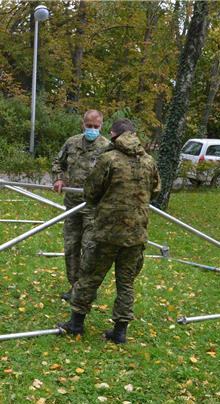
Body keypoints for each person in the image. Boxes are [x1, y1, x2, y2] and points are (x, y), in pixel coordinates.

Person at [58, 119, 160, 344]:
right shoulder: (149, 161)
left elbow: (91, 192)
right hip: (136, 234)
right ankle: (120, 332)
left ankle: (76, 323)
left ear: (113, 135)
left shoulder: (108, 159)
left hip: (107, 232)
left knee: (90, 276)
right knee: (126, 283)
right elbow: (155, 189)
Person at [51, 109, 110, 300]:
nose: (92, 129)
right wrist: (59, 179)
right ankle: (74, 287)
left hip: (93, 209)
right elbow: (58, 163)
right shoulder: (72, 142)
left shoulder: (107, 147)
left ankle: (86, 290)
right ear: (82, 124)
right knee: (71, 247)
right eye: (89, 126)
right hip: (72, 205)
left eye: (96, 126)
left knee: (90, 249)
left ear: (101, 126)